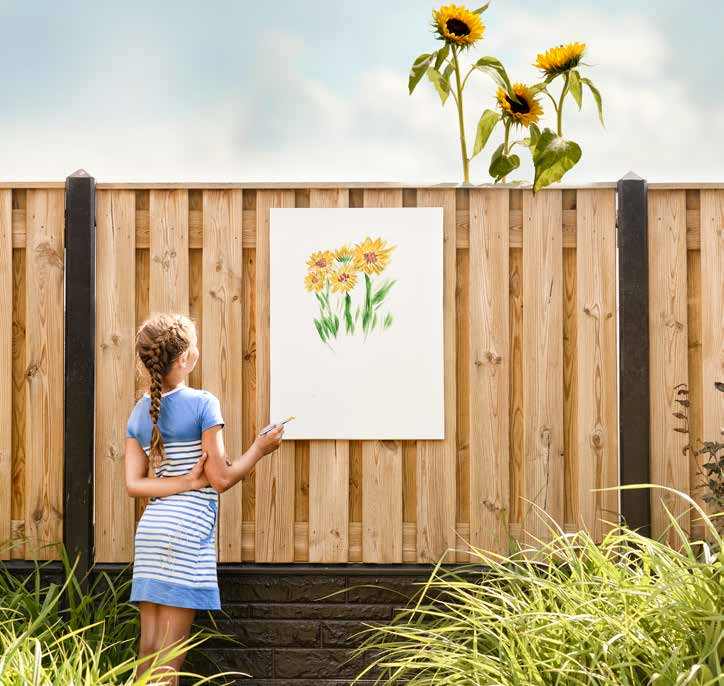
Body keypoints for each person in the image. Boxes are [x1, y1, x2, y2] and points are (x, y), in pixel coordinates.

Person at [124, 312, 284, 685]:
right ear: (185, 360)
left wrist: (183, 482)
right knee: (169, 658)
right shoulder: (202, 403)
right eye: (194, 345)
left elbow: (135, 484)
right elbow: (221, 478)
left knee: (148, 650)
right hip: (184, 535)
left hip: (151, 534)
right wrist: (260, 448)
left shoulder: (139, 410)